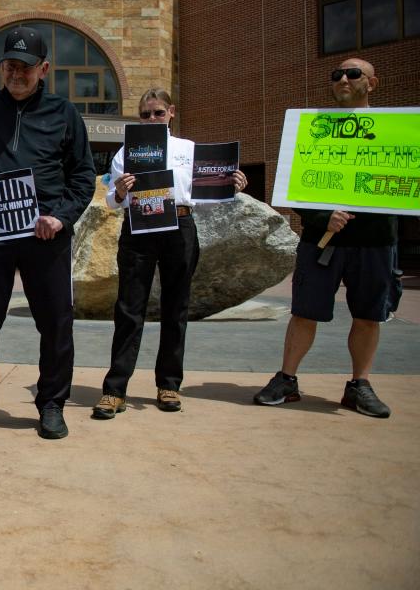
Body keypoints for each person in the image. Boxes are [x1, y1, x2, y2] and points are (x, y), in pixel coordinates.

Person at [0, 26, 96, 440]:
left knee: (55, 323)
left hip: (44, 234)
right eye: (10, 65)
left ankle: (51, 404)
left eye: (25, 67)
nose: (16, 73)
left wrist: (60, 217)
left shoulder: (65, 114)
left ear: (43, 69)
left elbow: (84, 177)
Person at [92, 89, 248, 419]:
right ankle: (115, 390)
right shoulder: (125, 153)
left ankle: (169, 384)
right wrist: (119, 191)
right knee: (129, 308)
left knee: (176, 307)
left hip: (180, 226)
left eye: (158, 113)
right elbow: (110, 200)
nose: (152, 119)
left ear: (171, 113)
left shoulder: (189, 150)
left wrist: (229, 186)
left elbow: (202, 196)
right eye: (145, 115)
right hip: (139, 228)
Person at [253, 58, 396, 418]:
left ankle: (359, 386)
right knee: (304, 312)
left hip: (374, 242)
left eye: (353, 74)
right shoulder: (312, 129)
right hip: (321, 241)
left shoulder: (395, 130)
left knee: (368, 316)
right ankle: (287, 380)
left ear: (372, 83)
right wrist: (322, 217)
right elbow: (294, 188)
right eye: (337, 75)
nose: (343, 79)